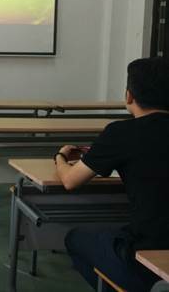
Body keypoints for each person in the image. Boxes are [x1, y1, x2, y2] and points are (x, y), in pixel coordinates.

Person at [54, 57, 169, 292]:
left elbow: (70, 180)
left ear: (129, 96)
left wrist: (60, 157)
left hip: (146, 257)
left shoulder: (121, 132)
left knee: (75, 238)